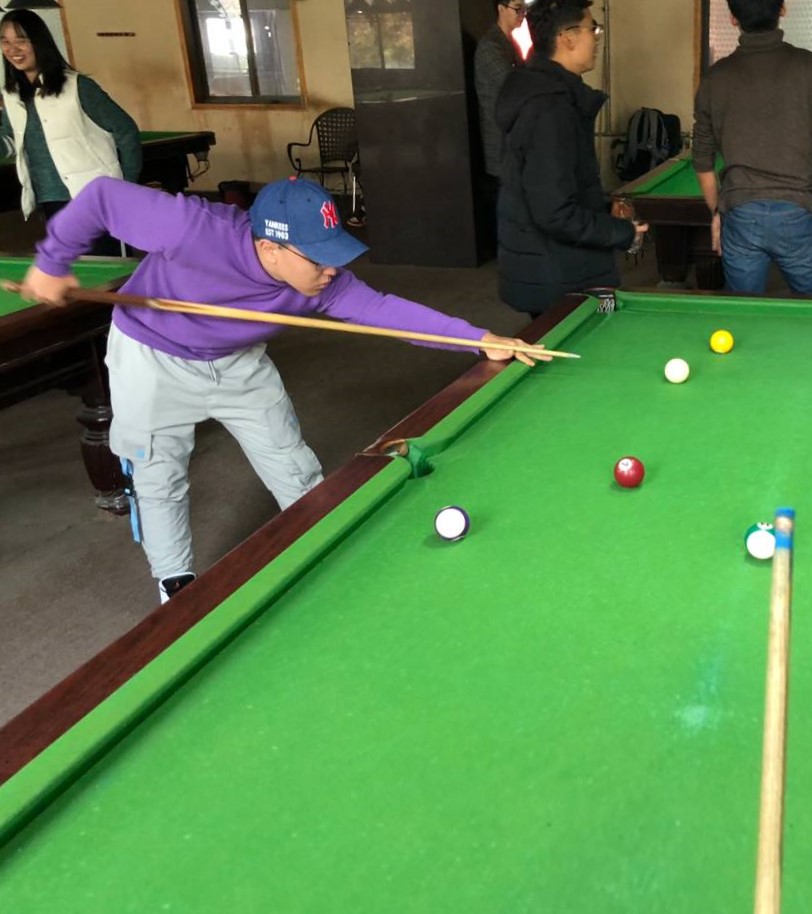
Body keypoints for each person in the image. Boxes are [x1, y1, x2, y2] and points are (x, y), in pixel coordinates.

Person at [19, 176, 546, 604]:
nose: (332, 270)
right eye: (317, 258)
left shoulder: (322, 284)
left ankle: (323, 544)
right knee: (158, 476)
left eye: (335, 253)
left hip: (237, 363)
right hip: (151, 356)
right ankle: (174, 585)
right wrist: (51, 262)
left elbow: (386, 312)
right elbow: (102, 198)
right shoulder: (194, 227)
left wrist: (478, 339)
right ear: (269, 247)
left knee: (292, 462)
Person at [495, 0, 646, 316]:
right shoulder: (550, 108)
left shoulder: (541, 91)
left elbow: (553, 185)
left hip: (550, 266)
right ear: (567, 37)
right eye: (593, 29)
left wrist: (603, 207)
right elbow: (554, 212)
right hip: (556, 275)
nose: (597, 38)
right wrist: (623, 233)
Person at [692, 0, 812, 295]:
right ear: (783, 9)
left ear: (733, 19)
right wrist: (806, 134)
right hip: (799, 209)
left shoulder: (715, 78)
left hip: (740, 213)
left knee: (744, 312)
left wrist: (717, 212)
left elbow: (702, 159)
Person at [0, 8, 140, 252]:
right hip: (49, 198)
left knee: (110, 265)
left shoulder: (78, 86)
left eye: (21, 40)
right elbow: (11, 139)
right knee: (72, 267)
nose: (13, 50)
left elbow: (125, 131)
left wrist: (125, 185)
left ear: (39, 42)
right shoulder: (11, 95)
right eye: (5, 42)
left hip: (95, 197)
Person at [474, 0, 525, 186]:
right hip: (500, 139)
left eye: (524, 8)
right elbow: (513, 85)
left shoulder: (509, 41)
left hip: (511, 135)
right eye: (518, 8)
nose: (523, 14)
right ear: (501, 9)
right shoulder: (490, 46)